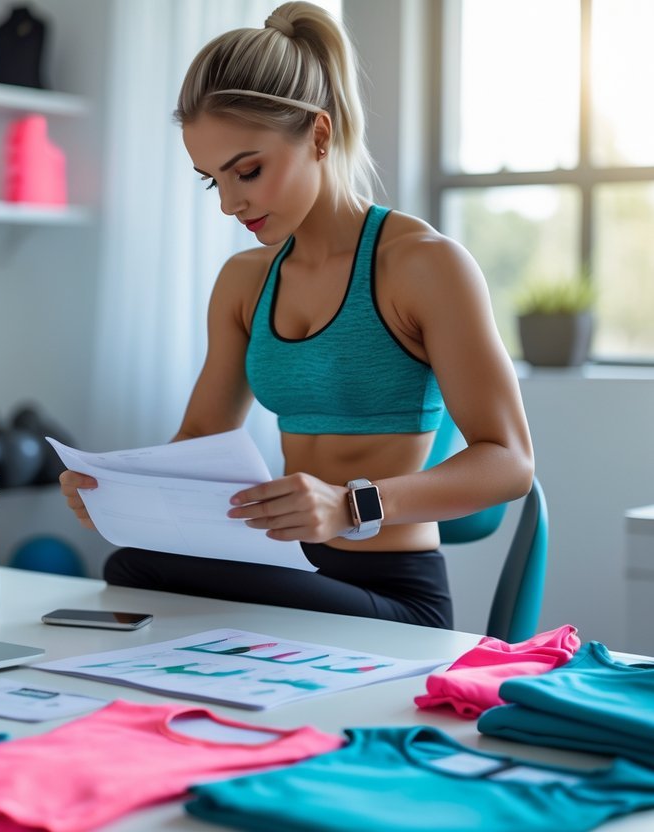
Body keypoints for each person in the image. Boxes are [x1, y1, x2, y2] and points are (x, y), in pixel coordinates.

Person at [59, 1, 533, 629]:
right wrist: (120, 493)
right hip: (290, 568)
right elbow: (201, 436)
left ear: (319, 135)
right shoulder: (245, 281)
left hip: (394, 593)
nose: (230, 204)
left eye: (248, 171)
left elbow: (509, 462)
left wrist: (351, 505)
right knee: (132, 566)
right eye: (213, 181)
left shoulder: (423, 265)